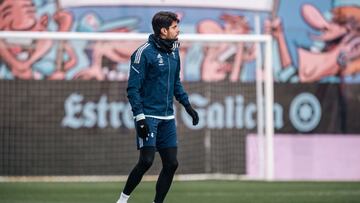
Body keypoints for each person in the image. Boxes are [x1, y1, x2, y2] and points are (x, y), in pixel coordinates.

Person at [116, 11, 199, 203]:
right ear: (163, 30)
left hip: (168, 117)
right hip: (148, 116)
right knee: (146, 161)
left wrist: (187, 106)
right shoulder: (143, 53)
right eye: (174, 27)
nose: (178, 30)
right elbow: (133, 89)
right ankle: (122, 200)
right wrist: (140, 117)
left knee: (171, 163)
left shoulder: (174, 50)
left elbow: (175, 82)